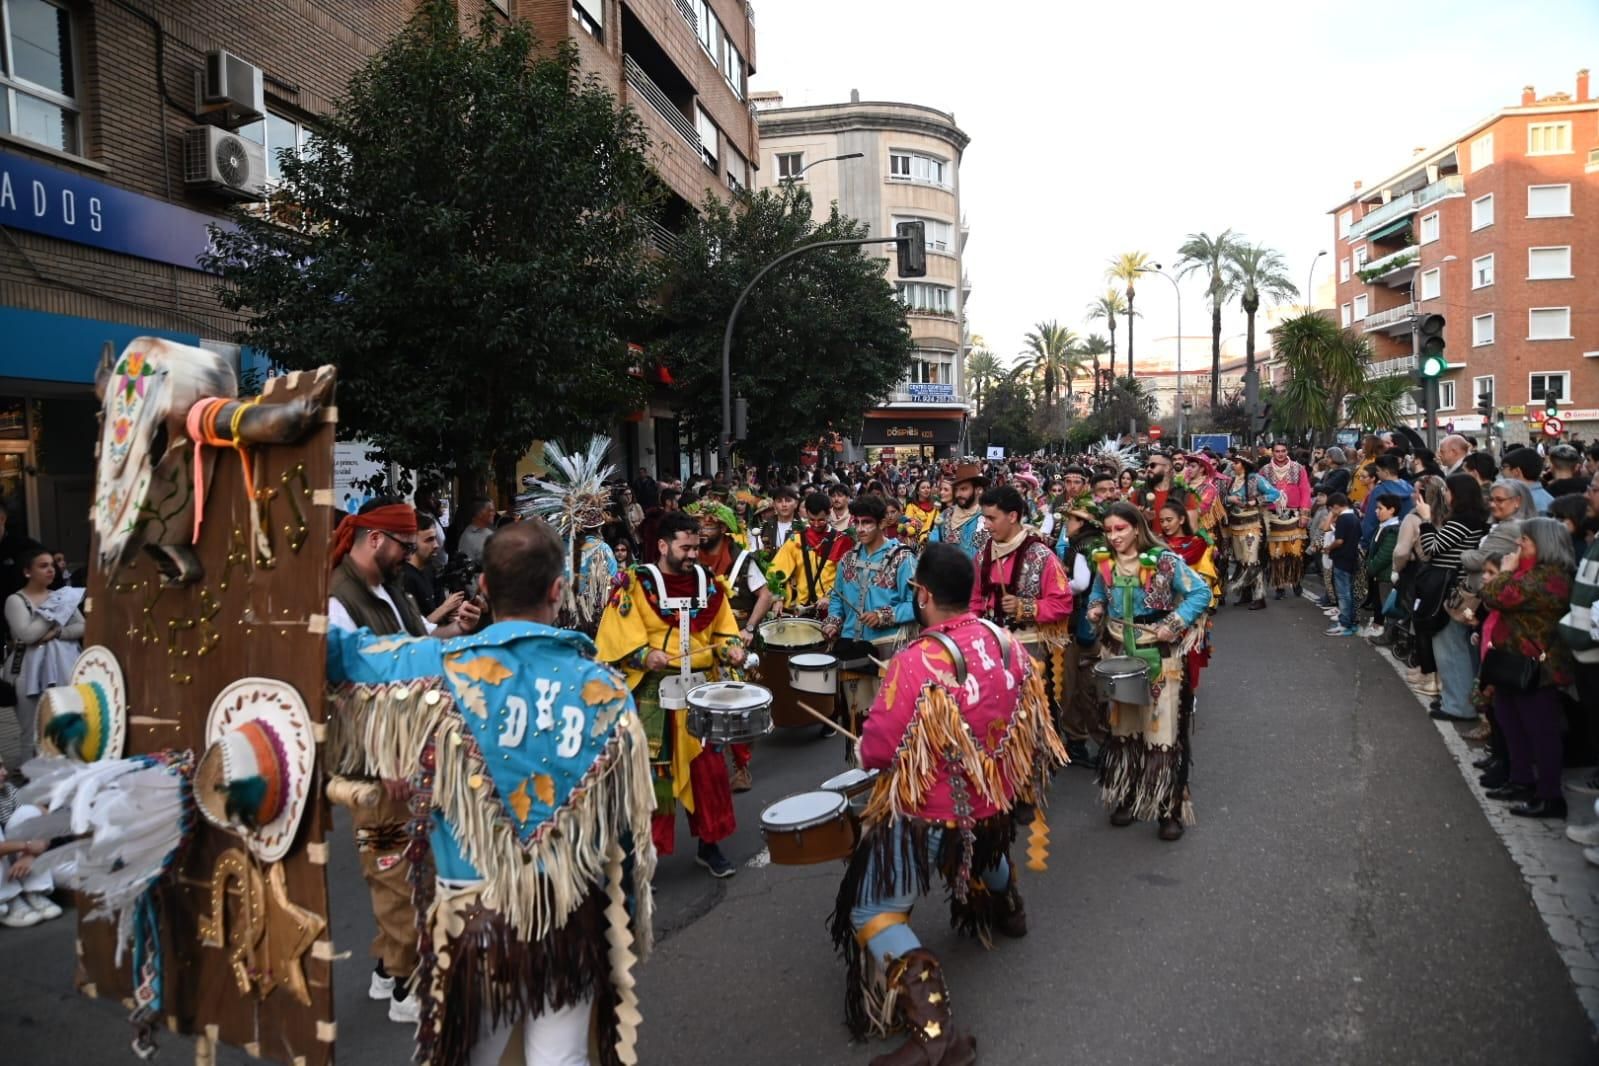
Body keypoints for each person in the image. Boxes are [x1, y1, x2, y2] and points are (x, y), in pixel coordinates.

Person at [326, 519, 656, 1066]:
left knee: (472, 1055)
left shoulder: (432, 670)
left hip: (470, 920)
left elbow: (340, 652)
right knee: (561, 1059)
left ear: (482, 589)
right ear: (557, 591)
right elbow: (622, 829)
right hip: (567, 916)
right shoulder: (607, 692)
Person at [829, 543, 1065, 1062]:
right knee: (983, 847)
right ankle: (1009, 908)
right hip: (995, 797)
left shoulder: (917, 662)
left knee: (872, 910)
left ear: (924, 595)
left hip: (932, 811)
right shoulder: (1006, 642)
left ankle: (938, 1036)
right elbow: (1031, 709)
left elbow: (876, 748)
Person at [327, 498, 482, 1024]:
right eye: (405, 544)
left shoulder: (390, 588)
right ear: (375, 539)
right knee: (395, 870)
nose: (411, 553)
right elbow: (343, 692)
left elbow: (420, 643)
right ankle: (407, 988)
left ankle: (384, 969)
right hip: (375, 762)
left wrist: (457, 630)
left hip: (413, 747)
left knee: (410, 864)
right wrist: (384, 761)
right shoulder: (336, 600)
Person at [594, 511, 747, 878]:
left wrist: (730, 649)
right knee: (654, 780)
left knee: (709, 772)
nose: (693, 553)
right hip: (653, 695)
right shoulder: (635, 584)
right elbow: (614, 639)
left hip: (701, 691)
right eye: (686, 547)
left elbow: (724, 631)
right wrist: (646, 655)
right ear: (663, 546)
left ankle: (710, 845)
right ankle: (648, 856)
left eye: (696, 546)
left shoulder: (708, 583)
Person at [1086, 502, 1212, 840]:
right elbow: (1098, 591)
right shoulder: (1106, 562)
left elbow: (1200, 592)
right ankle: (1127, 795)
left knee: (1162, 735)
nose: (1114, 536)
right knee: (1123, 732)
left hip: (1159, 660)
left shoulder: (1164, 559)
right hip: (1118, 658)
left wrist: (1174, 622)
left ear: (1137, 528)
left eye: (1120, 529)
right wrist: (1096, 607)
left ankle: (1168, 808)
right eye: (1109, 530)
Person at [1480, 518, 1576, 819]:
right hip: (1513, 661)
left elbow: (1494, 594)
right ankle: (1521, 780)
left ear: (1545, 544)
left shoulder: (1550, 577)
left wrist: (1506, 570)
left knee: (1540, 731)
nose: (1519, 544)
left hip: (1536, 666)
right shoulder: (1532, 573)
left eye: (1526, 540)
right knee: (1511, 721)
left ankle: (1549, 796)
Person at [971, 484, 1074, 731]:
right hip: (990, 647)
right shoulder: (984, 555)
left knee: (1029, 720)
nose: (986, 525)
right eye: (984, 518)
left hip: (1030, 649)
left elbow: (1063, 603)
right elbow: (974, 600)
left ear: (1013, 516)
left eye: (991, 518)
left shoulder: (1041, 555)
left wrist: (1024, 607)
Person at [824, 495, 917, 735]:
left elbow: (916, 604)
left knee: (891, 722)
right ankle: (862, 769)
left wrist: (883, 615)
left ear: (882, 524)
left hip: (887, 649)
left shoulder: (903, 558)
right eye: (857, 523)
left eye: (867, 523)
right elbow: (836, 597)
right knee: (858, 723)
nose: (861, 529)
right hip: (852, 647)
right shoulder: (847, 559)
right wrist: (833, 622)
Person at [1414, 474, 1490, 721]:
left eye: (1449, 490)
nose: (1445, 495)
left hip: (1451, 590)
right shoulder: (1476, 520)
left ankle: (1459, 705)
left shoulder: (1460, 521)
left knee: (1450, 648)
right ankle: (1456, 700)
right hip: (1460, 587)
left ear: (1458, 494)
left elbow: (1432, 548)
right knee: (1458, 648)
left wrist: (1425, 520)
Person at [4, 549, 85, 762]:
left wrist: (58, 632)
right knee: (31, 727)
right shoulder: (16, 600)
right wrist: (54, 613)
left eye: (52, 565)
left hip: (63, 665)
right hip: (27, 670)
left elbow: (83, 626)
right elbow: (28, 635)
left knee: (66, 720)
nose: (50, 570)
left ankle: (64, 772)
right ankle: (29, 775)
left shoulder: (61, 596)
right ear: (27, 572)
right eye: (43, 566)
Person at [1157, 501, 1219, 686]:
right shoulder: (1157, 545)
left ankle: (1189, 697)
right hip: (1164, 608)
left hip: (1190, 607)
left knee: (1190, 656)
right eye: (1162, 521)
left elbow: (1203, 582)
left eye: (1169, 520)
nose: (1166, 525)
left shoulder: (1199, 544)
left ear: (1182, 519)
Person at [769, 492, 852, 617]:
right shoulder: (795, 540)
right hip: (800, 608)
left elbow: (849, 579)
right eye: (812, 520)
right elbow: (775, 572)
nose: (816, 524)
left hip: (832, 609)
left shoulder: (842, 541)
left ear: (829, 512)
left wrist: (831, 597)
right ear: (806, 513)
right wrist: (778, 598)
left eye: (821, 520)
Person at [1224, 456, 1282, 611]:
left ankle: (1259, 597)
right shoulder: (1231, 480)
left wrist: (1255, 501)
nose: (1232, 465)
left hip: (1252, 525)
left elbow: (1275, 494)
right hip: (1235, 525)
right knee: (1241, 560)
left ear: (1244, 465)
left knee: (1252, 560)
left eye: (1235, 463)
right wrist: (1230, 499)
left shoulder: (1255, 479)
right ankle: (1246, 594)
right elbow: (1223, 499)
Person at [1261, 441, 1312, 599]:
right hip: (1273, 515)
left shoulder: (1298, 468)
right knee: (1276, 552)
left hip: (1294, 514)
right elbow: (1259, 492)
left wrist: (1304, 514)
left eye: (1283, 451)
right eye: (1277, 451)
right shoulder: (1265, 471)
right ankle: (1279, 586)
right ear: (1273, 452)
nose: (1280, 454)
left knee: (1295, 551)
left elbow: (1305, 491)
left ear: (1287, 451)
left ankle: (1296, 581)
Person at [402, 515, 465, 625]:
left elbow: (438, 612)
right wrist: (445, 608)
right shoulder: (405, 578)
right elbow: (415, 629)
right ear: (412, 542)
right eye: (429, 540)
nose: (436, 545)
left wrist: (452, 613)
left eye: (435, 538)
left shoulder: (430, 569)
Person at [928, 463, 991, 559]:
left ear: (979, 490)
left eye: (964, 489)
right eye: (956, 490)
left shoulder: (989, 516)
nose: (958, 494)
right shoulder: (946, 515)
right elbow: (932, 546)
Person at [1323, 494, 1363, 637]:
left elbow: (1339, 541)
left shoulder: (1343, 519)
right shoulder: (1355, 517)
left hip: (1341, 559)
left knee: (1343, 594)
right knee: (1349, 592)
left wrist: (1329, 548)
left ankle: (1344, 623)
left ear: (1337, 506)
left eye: (1332, 509)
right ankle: (1351, 621)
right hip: (1352, 559)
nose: (1333, 512)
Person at [1364, 496, 1402, 639]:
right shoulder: (1384, 526)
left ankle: (1386, 632)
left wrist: (1371, 568)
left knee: (1386, 604)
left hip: (1385, 575)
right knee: (1378, 601)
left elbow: (1385, 555)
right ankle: (1378, 625)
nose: (1376, 511)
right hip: (1378, 574)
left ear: (1392, 510)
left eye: (1380, 508)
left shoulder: (1392, 530)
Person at [1501, 447, 1553, 513]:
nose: (1501, 472)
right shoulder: (1548, 499)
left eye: (1504, 467)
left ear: (1516, 471)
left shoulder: (1522, 503)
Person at [454, 497, 496, 564]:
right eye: (490, 510)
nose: (494, 513)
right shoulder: (468, 538)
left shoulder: (491, 531)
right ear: (479, 513)